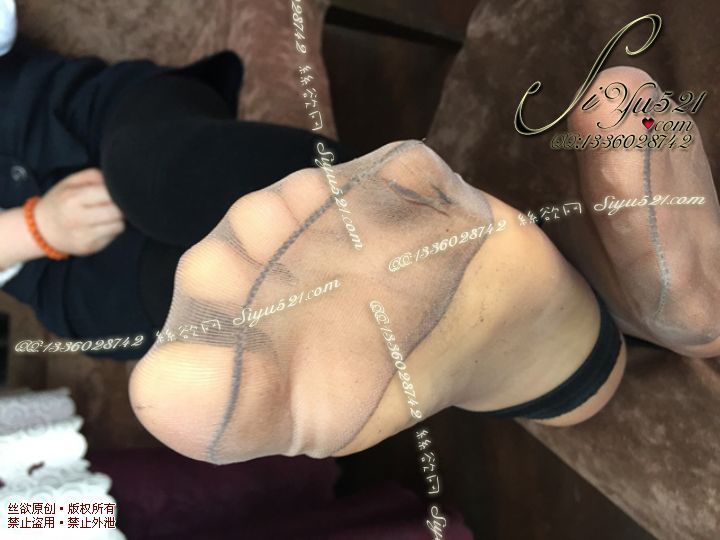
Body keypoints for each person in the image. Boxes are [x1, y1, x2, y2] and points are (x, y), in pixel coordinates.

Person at [0, 2, 353, 359]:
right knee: (189, 284)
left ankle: (376, 205)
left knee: (150, 174)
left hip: (86, 114)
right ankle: (360, 317)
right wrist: (35, 229)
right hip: (51, 269)